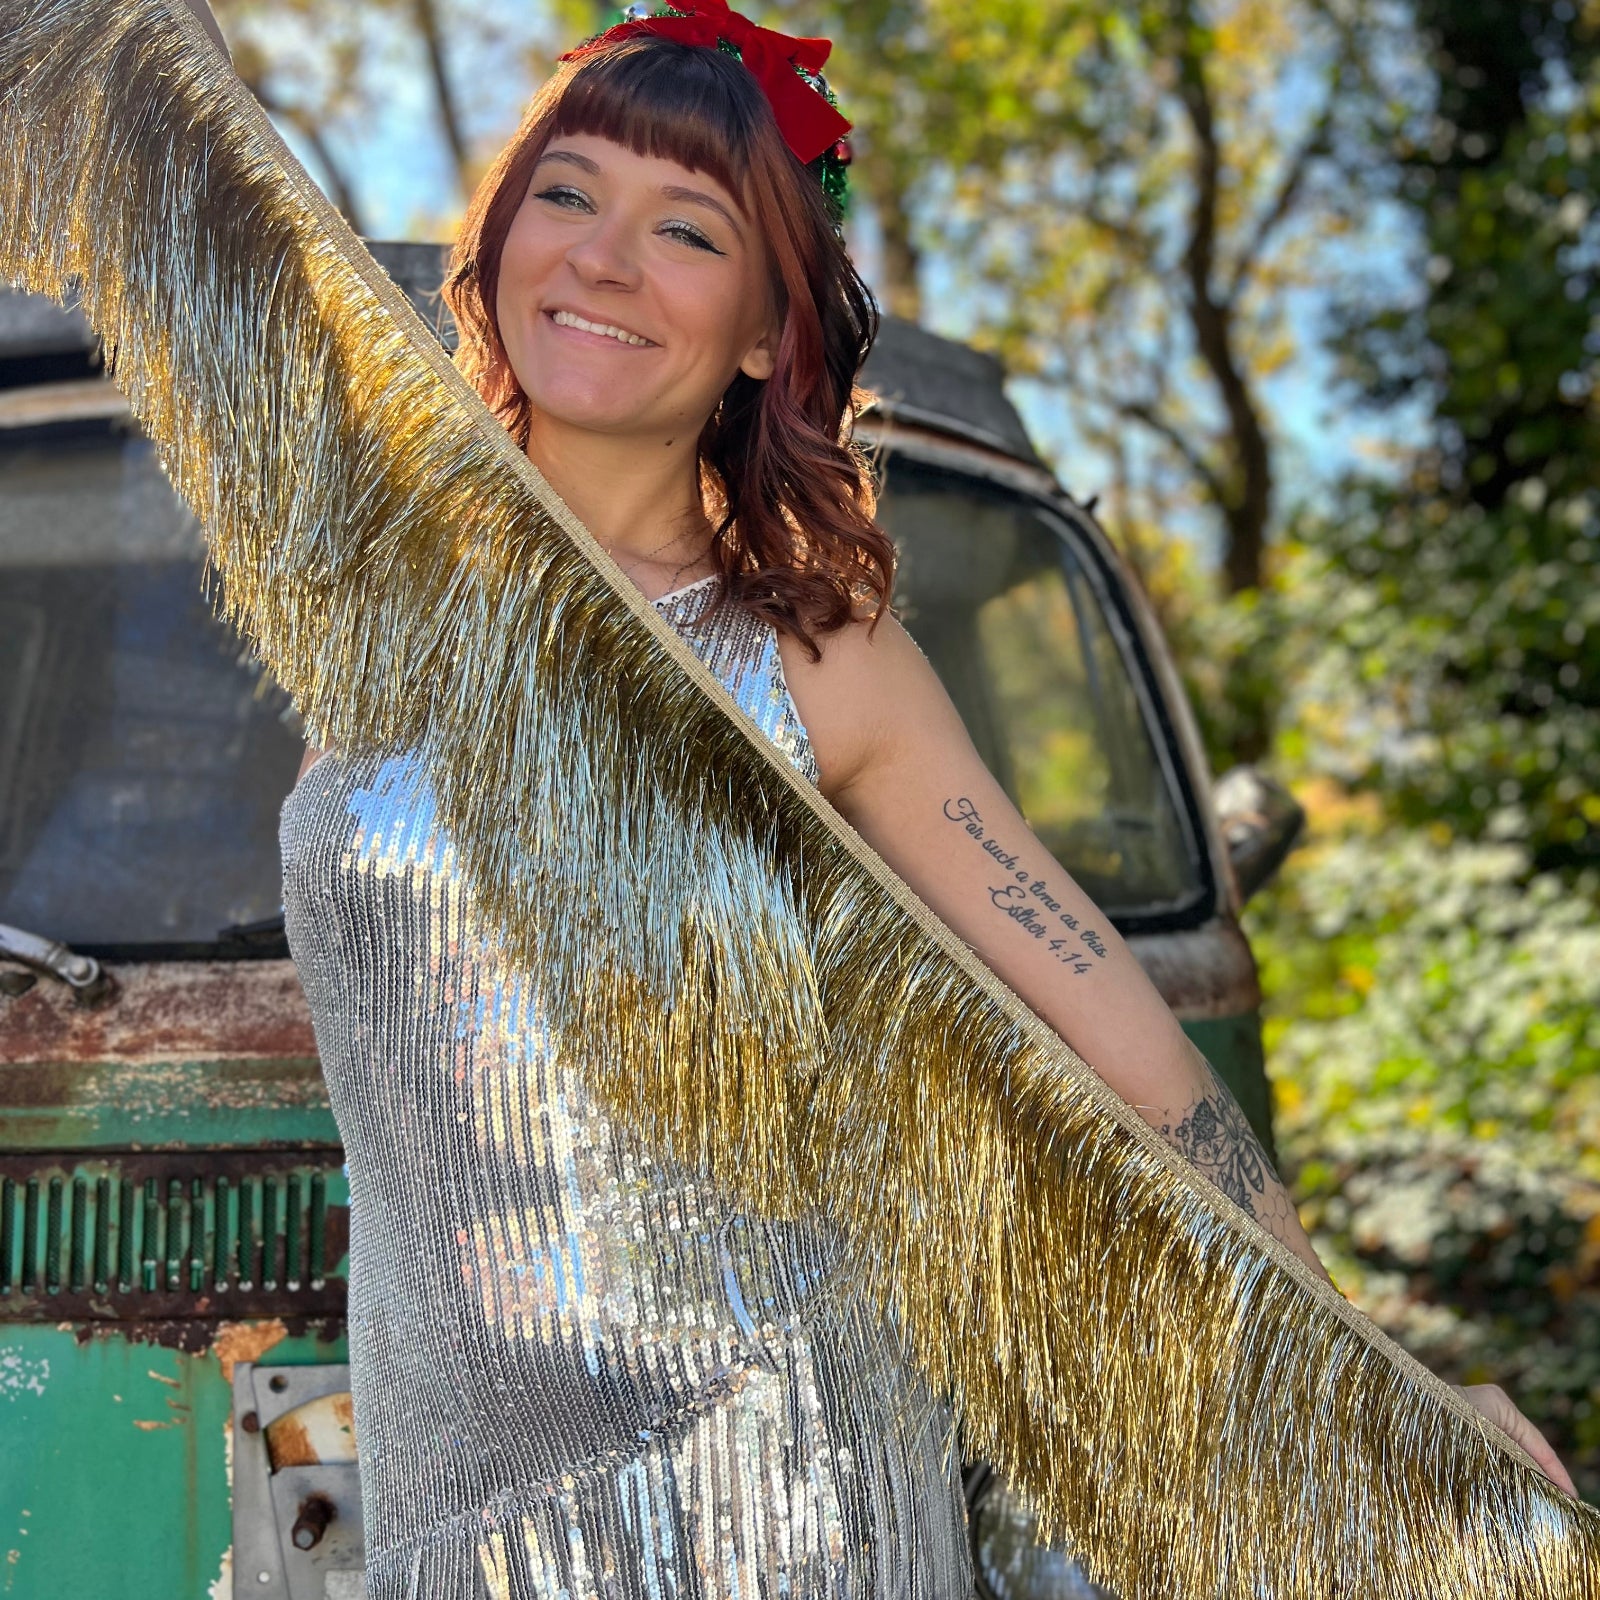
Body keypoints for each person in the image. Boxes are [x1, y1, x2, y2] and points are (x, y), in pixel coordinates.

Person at [174, 0, 1571, 1593]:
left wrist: (1373, 1389)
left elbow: (1135, 1055)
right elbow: (207, 210)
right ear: (494, 248)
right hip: (461, 1513)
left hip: (782, 1498)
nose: (605, 258)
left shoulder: (815, 660)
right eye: (566, 195)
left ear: (770, 329)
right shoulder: (373, 595)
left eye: (686, 227)